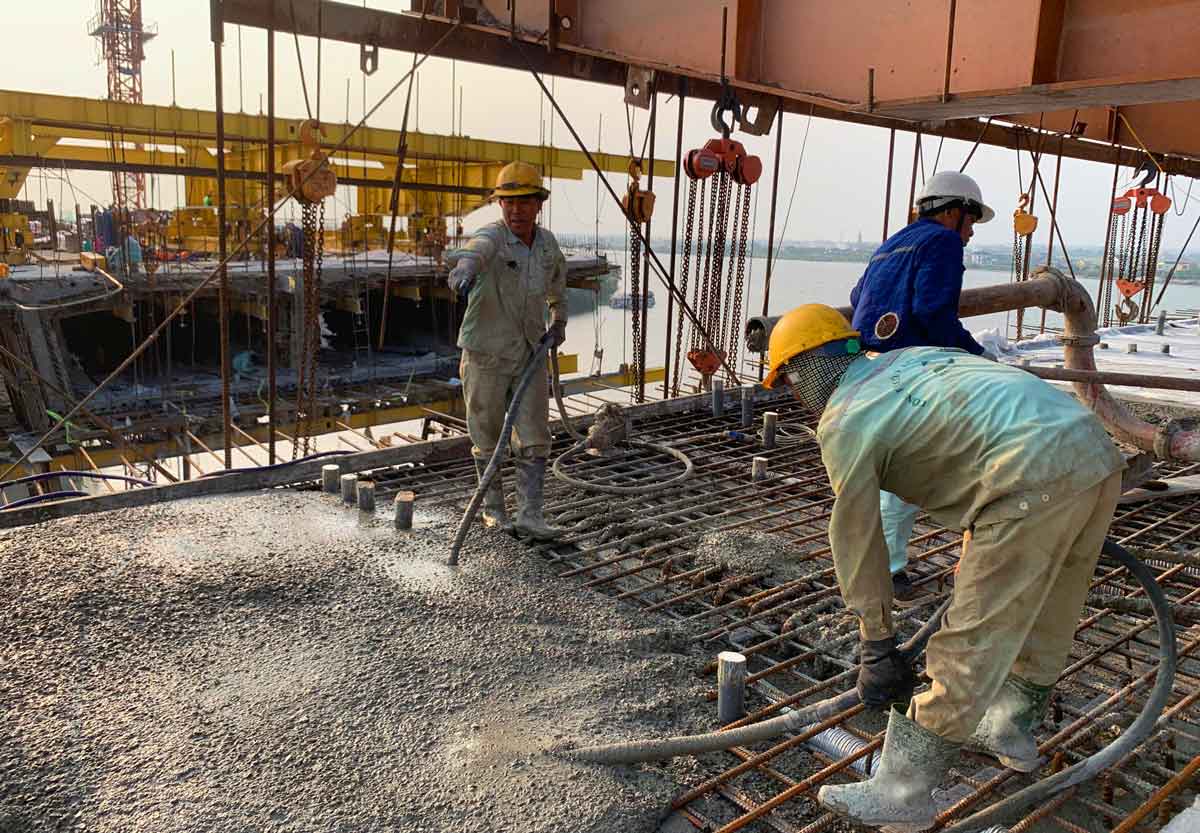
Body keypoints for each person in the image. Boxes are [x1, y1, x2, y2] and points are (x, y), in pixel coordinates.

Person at [762, 304, 1123, 831]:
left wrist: (876, 641)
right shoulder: (910, 358)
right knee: (1049, 611)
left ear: (805, 370)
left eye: (791, 382)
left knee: (969, 635)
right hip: (1093, 452)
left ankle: (902, 791)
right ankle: (1008, 728)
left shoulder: (844, 418)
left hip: (1026, 477)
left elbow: (858, 541)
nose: (796, 396)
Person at [848, 170, 995, 604]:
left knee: (880, 467)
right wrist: (977, 356)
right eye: (969, 223)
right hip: (909, 369)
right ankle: (889, 572)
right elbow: (933, 310)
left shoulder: (892, 243)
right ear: (952, 212)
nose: (969, 234)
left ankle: (871, 560)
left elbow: (859, 298)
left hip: (868, 367)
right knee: (908, 470)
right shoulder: (943, 242)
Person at [444, 161, 567, 540]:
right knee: (488, 434)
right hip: (487, 355)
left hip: (530, 354)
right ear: (500, 205)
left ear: (538, 204)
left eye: (523, 202)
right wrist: (464, 269)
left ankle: (530, 515)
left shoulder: (546, 244)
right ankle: (494, 512)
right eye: (508, 203)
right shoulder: (493, 236)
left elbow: (558, 287)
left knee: (534, 436)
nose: (516, 210)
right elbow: (477, 250)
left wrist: (559, 321)